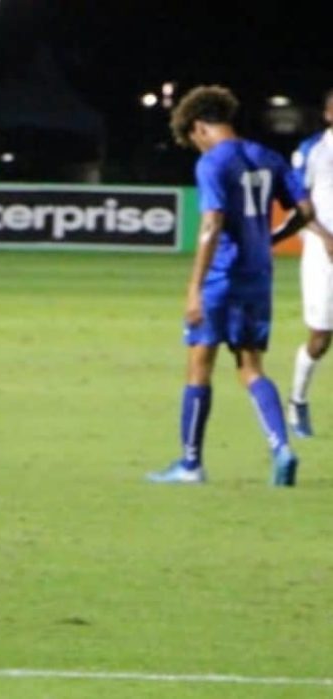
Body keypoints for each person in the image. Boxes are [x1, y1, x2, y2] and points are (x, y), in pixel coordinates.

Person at [147, 84, 320, 487]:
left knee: (199, 366)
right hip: (258, 278)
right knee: (251, 367)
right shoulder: (268, 156)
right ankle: (281, 447)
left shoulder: (213, 163)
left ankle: (191, 464)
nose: (197, 147)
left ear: (198, 127)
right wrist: (273, 238)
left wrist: (195, 287)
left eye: (193, 140)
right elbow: (305, 210)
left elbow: (211, 224)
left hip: (221, 278)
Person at [285, 89, 333, 437]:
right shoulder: (312, 150)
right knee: (321, 336)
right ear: (328, 114)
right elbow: (298, 206)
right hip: (322, 251)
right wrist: (326, 237)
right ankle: (297, 401)